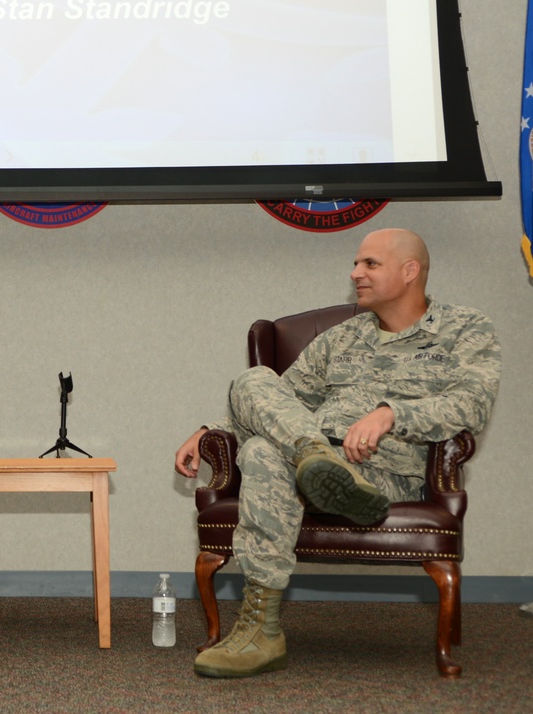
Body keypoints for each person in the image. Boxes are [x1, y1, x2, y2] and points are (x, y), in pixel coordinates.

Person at [174, 228, 501, 678]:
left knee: (263, 453)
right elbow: (280, 399)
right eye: (356, 263)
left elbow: (472, 405)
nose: (355, 273)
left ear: (410, 271)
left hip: (384, 476)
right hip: (311, 459)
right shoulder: (342, 337)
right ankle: (313, 463)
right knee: (253, 385)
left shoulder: (464, 328)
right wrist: (209, 432)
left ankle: (260, 630)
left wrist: (391, 414)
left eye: (370, 264)